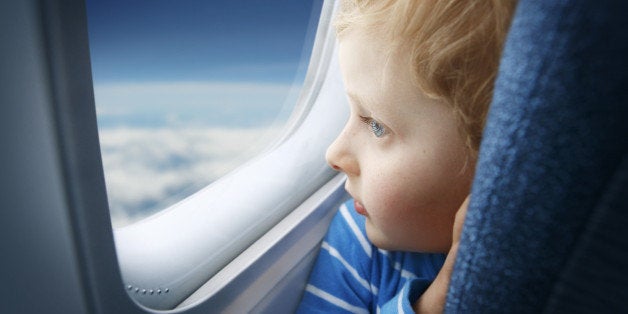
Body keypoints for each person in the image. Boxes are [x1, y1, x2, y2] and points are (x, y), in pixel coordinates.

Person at [297, 0, 516, 313]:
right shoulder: (357, 243)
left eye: (376, 126)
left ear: (492, 160)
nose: (334, 154)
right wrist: (430, 305)